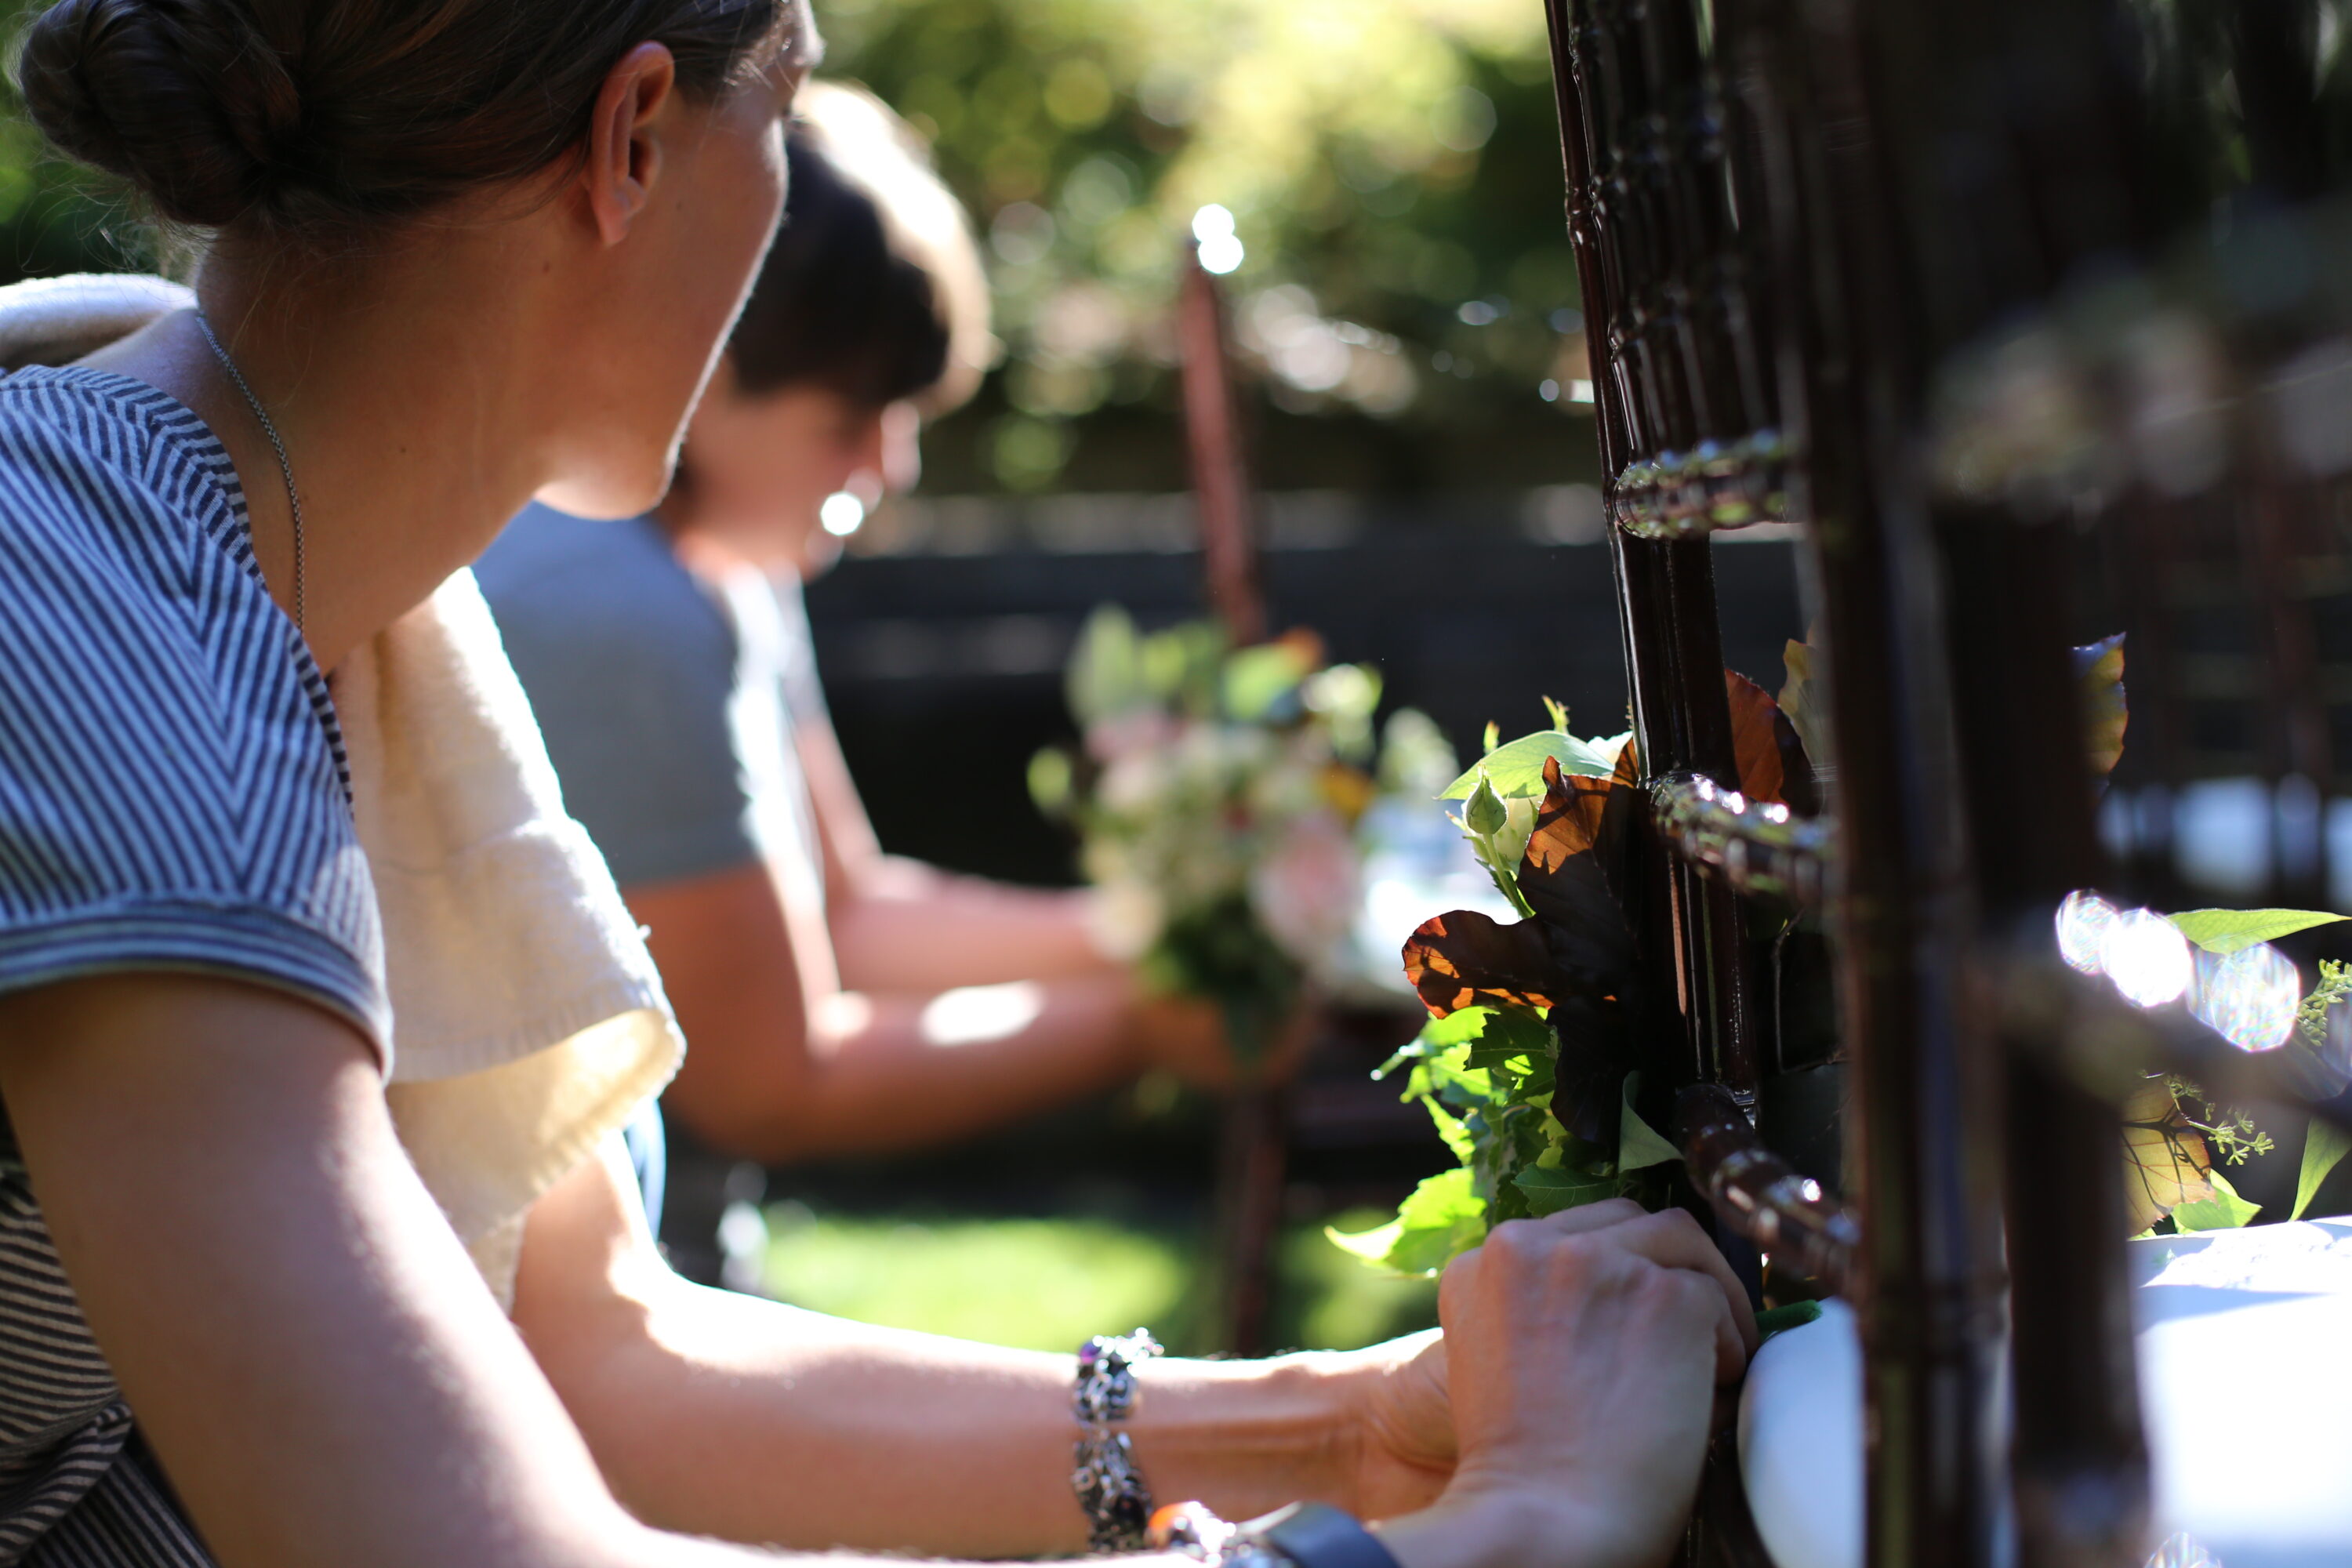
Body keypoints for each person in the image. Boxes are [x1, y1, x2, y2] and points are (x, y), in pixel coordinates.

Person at [0, 5, 1755, 1568]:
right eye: (786, 101)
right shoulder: (103, 623)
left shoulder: (335, 595)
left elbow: (603, 1349)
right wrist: (1514, 1526)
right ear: (629, 141)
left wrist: (1350, 1424)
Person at [477, 85, 1228, 1283]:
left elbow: (852, 913)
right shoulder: (619, 604)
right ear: (705, 363)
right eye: (853, 415)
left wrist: (1173, 943)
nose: (892, 465)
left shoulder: (722, 566)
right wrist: (1155, 1024)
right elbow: (774, 1086)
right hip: (547, 1299)